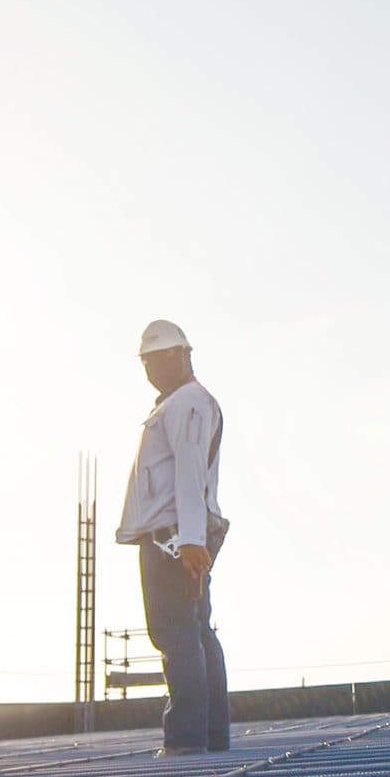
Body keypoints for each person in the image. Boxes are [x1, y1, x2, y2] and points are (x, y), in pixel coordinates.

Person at [115, 320, 230, 755]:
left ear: (178, 355)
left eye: (153, 360)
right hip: (181, 534)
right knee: (196, 632)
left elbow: (188, 471)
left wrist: (190, 540)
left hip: (174, 539)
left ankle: (185, 740)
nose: (148, 370)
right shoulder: (182, 404)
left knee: (177, 633)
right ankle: (211, 737)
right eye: (144, 362)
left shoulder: (188, 403)